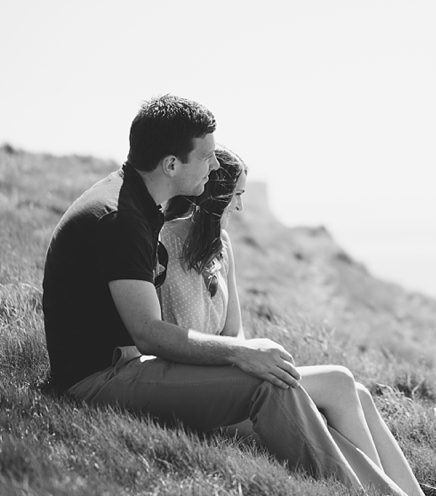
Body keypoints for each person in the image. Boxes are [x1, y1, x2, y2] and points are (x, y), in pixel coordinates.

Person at [41, 95, 406, 494]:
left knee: (279, 381)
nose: (216, 167)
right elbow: (147, 331)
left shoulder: (135, 203)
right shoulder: (120, 218)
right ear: (171, 164)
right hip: (99, 380)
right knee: (266, 383)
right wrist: (240, 353)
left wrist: (244, 355)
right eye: (207, 156)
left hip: (125, 366)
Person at [158, 147, 425, 496]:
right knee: (340, 382)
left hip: (229, 375)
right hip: (195, 390)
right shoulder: (162, 244)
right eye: (236, 195)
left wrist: (251, 362)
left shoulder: (220, 245)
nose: (239, 206)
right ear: (215, 193)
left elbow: (234, 332)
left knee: (357, 392)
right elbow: (156, 336)